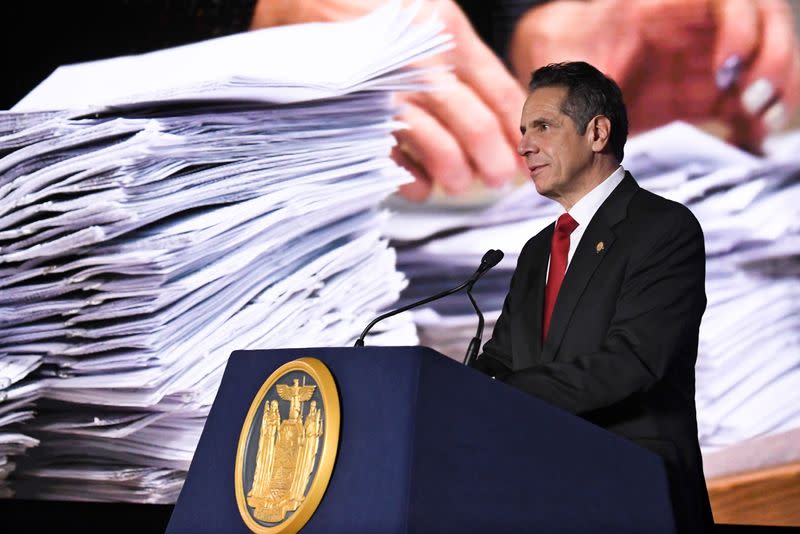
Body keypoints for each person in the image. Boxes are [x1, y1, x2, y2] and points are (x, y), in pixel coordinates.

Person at [469, 61, 714, 533]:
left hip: (636, 497)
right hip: (543, 499)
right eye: (523, 130)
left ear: (598, 132)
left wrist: (500, 396)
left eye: (542, 126)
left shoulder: (663, 228)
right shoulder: (540, 248)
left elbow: (634, 361)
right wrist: (448, 388)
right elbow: (503, 357)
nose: (523, 145)